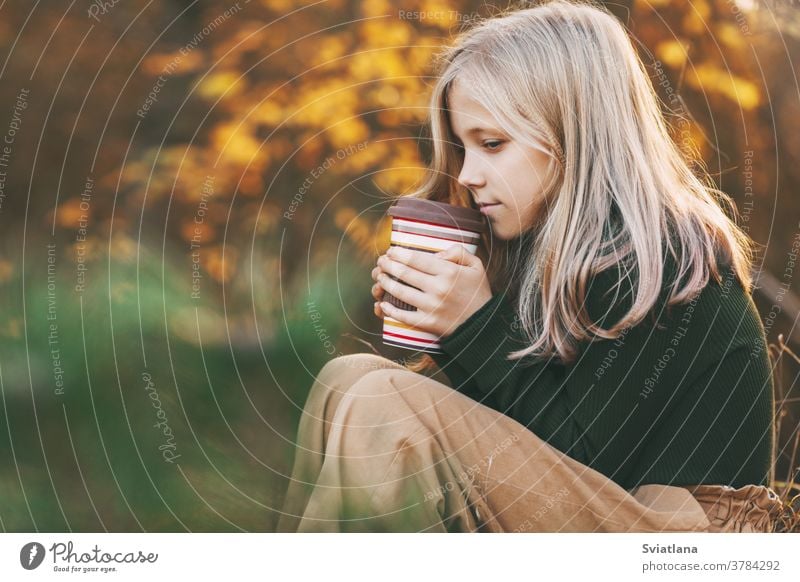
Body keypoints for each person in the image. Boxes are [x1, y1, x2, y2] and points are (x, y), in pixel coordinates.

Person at [277, 0, 788, 532]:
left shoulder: (667, 260)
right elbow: (524, 441)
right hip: (595, 514)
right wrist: (438, 329)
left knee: (383, 405)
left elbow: (586, 459)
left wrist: (474, 326)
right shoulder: (539, 252)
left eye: (492, 145)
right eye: (462, 147)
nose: (469, 174)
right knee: (349, 378)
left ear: (575, 134)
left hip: (680, 541)